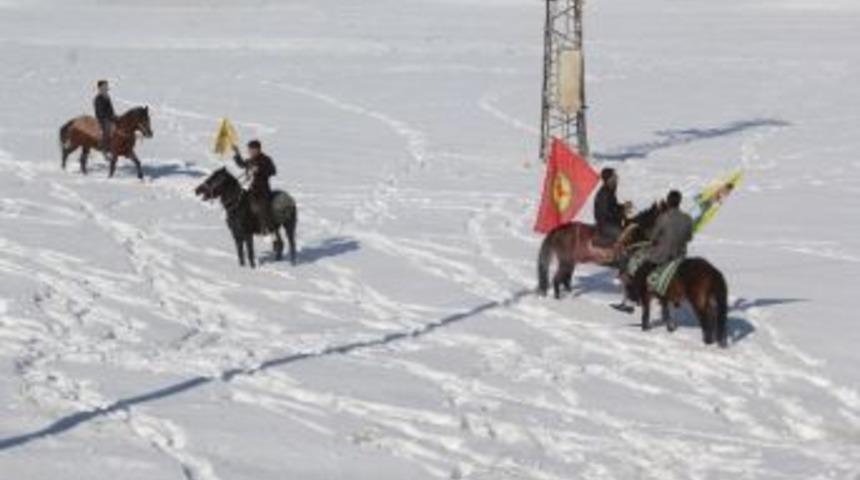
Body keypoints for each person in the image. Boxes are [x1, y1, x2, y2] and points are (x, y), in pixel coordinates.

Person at [630, 190, 693, 301]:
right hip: (680, 256)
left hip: (662, 255)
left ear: (668, 202)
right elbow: (689, 238)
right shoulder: (688, 218)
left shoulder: (663, 217)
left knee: (641, 271)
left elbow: (653, 237)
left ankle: (634, 297)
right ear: (679, 202)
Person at [233, 139, 277, 234]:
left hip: (262, 191)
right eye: (249, 150)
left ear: (258, 150)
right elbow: (242, 164)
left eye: (252, 150)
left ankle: (267, 229)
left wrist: (260, 169)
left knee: (262, 207)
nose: (250, 152)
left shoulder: (266, 159)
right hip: (251, 190)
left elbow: (273, 171)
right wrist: (236, 153)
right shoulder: (250, 160)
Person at [593, 168, 631, 247]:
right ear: (608, 179)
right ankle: (619, 258)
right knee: (622, 235)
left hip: (611, 222)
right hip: (605, 225)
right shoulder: (604, 194)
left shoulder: (610, 191)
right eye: (614, 177)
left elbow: (613, 207)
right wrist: (622, 212)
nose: (617, 179)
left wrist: (623, 207)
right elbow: (606, 213)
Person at [93, 80, 117, 160]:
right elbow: (100, 111)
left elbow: (111, 109)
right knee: (107, 130)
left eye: (106, 86)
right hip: (102, 119)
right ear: (100, 88)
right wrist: (107, 118)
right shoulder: (98, 98)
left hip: (110, 118)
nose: (106, 88)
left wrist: (114, 116)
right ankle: (105, 149)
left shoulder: (107, 97)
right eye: (104, 86)